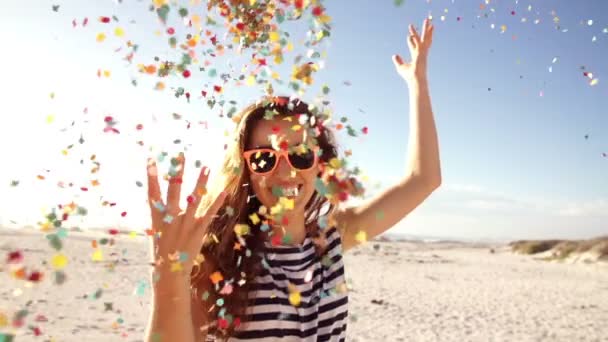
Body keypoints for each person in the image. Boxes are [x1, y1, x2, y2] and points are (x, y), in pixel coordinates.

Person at [145, 18, 441, 342]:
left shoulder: (332, 239)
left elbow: (423, 179)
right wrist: (168, 280)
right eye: (264, 159)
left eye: (300, 155)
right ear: (245, 170)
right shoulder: (220, 257)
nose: (285, 172)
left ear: (319, 164)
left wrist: (418, 83)